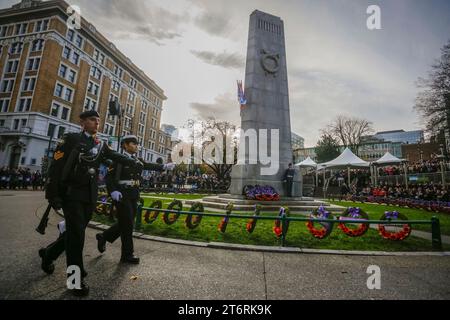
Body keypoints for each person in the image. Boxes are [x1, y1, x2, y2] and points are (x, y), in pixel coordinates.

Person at [40, 110, 135, 297]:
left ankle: (49, 254)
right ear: (82, 121)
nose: (96, 123)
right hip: (72, 195)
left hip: (89, 198)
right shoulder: (70, 139)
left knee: (73, 234)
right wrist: (53, 194)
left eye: (98, 121)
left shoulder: (100, 144)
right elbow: (56, 167)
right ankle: (74, 281)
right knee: (76, 238)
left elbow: (116, 156)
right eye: (92, 120)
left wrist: (135, 162)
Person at [96, 135, 164, 263]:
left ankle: (103, 236)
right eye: (133, 143)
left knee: (126, 222)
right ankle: (127, 254)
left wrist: (163, 167)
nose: (136, 146)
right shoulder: (118, 158)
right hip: (121, 194)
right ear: (125, 145)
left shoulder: (137, 160)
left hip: (133, 194)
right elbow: (109, 177)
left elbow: (148, 165)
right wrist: (113, 191)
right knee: (128, 225)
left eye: (137, 144)